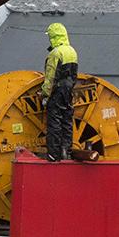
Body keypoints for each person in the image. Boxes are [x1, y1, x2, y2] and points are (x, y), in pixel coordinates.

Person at [41, 22, 78, 162]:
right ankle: (66, 150)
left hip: (57, 90)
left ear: (53, 37)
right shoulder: (72, 51)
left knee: (54, 121)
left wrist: (45, 94)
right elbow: (74, 75)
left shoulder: (55, 53)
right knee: (67, 120)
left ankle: (53, 154)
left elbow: (50, 77)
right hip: (68, 90)